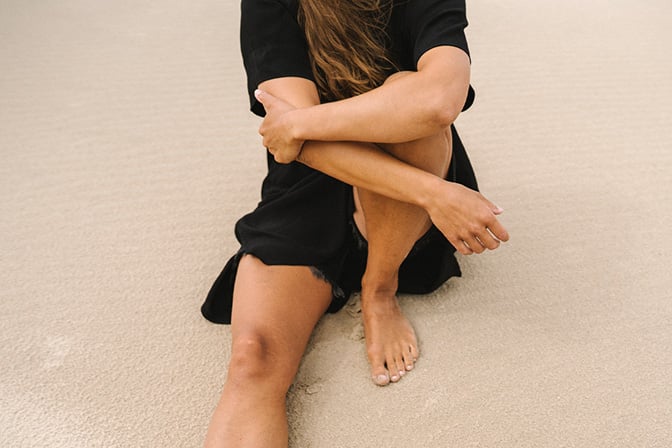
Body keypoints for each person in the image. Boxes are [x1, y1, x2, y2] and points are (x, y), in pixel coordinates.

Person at [202, 0, 509, 445]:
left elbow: (439, 99)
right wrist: (432, 192)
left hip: (407, 184)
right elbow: (296, 148)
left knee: (408, 98)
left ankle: (378, 288)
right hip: (318, 185)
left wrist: (301, 123)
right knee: (253, 359)